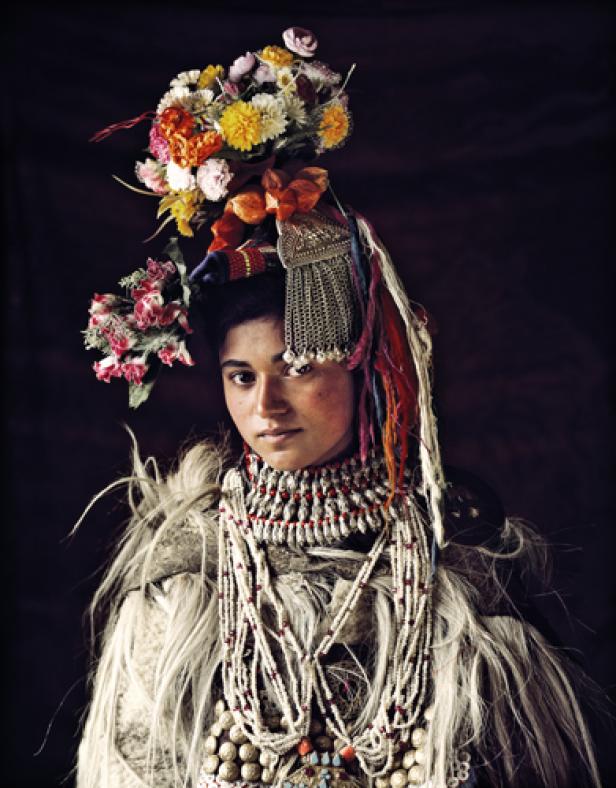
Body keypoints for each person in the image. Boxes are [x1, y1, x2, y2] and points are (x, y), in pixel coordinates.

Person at [77, 27, 601, 788]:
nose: (268, 405)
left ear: (368, 367)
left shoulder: (457, 566)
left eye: (297, 366)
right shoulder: (184, 581)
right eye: (241, 377)